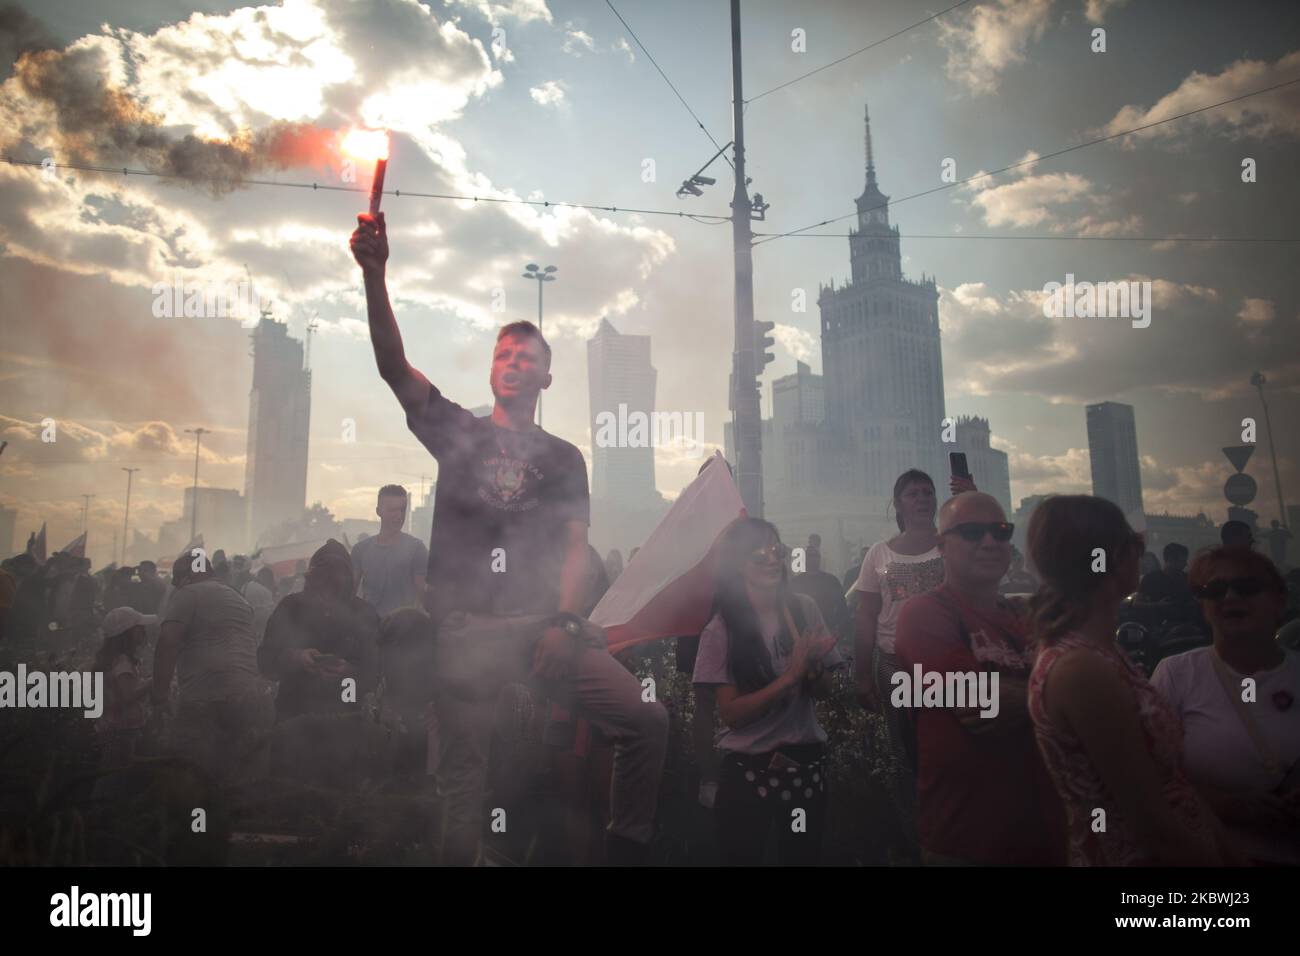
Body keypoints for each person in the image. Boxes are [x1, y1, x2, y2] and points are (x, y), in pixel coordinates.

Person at [350, 209, 668, 866]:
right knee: (464, 787)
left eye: (528, 357)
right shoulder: (458, 433)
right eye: (504, 354)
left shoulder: (563, 457)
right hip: (468, 635)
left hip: (540, 630)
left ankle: (625, 850)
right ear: (494, 370)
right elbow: (391, 365)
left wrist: (566, 620)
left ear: (547, 378)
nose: (514, 363)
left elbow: (577, 548)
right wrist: (375, 275)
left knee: (647, 721)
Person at [1026, 495, 1236, 866]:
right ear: (1107, 559)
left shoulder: (1100, 649)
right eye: (1135, 544)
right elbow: (1152, 824)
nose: (1142, 553)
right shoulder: (1082, 670)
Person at [894, 493, 1065, 865]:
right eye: (972, 532)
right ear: (941, 547)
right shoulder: (923, 613)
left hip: (1052, 838)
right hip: (965, 842)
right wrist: (1063, 700)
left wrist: (1026, 699)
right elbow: (978, 704)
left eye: (1000, 532)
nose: (989, 542)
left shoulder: (1030, 617)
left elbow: (1102, 703)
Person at [691, 518, 841, 865]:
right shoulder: (721, 628)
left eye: (778, 551)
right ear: (737, 566)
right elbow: (731, 714)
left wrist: (814, 667)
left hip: (805, 769)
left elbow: (826, 692)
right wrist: (789, 677)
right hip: (748, 774)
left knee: (801, 856)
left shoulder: (803, 609)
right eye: (759, 555)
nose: (773, 560)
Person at [1151, 547, 1300, 864]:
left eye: (1246, 587)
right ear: (1203, 606)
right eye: (1215, 590)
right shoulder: (1176, 673)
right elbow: (1148, 775)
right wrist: (1221, 803)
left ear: (1279, 601)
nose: (1230, 597)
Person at [851, 469, 947, 849]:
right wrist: (861, 675)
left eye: (928, 492)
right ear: (898, 504)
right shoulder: (879, 553)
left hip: (947, 666)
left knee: (949, 750)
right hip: (895, 665)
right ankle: (918, 841)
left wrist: (969, 512)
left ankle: (955, 835)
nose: (923, 498)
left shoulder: (951, 545)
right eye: (913, 493)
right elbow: (865, 615)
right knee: (907, 757)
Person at [153, 552, 273, 783]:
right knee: (236, 774)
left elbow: (168, 642)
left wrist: (159, 698)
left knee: (192, 775)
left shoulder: (188, 594)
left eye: (177, 577)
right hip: (248, 699)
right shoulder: (238, 598)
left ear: (190, 574)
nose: (175, 584)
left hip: (205, 699)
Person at [259, 540, 380, 723]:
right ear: (311, 580)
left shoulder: (364, 614)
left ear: (346, 584)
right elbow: (265, 663)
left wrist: (349, 672)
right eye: (322, 585)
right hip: (294, 715)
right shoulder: (291, 608)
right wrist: (296, 658)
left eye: (334, 586)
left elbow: (376, 672)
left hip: (347, 716)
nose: (327, 596)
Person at [350, 485, 429, 617]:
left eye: (402, 510)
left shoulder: (416, 548)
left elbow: (423, 593)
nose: (398, 515)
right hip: (369, 629)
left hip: (404, 630)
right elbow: (349, 594)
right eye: (392, 510)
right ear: (378, 511)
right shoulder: (360, 550)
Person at [95, 606, 156, 767]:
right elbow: (127, 696)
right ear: (127, 633)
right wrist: (152, 682)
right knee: (117, 770)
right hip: (121, 728)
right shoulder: (123, 662)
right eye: (139, 627)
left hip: (112, 725)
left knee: (112, 769)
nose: (143, 630)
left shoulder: (112, 659)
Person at [790, 544, 850, 640]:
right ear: (804, 559)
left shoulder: (831, 580)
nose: (813, 559)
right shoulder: (796, 582)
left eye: (815, 556)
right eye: (810, 556)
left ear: (819, 559)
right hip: (802, 631)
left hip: (827, 628)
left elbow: (842, 606)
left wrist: (838, 629)